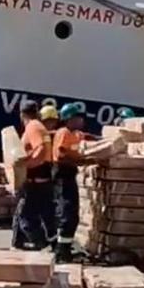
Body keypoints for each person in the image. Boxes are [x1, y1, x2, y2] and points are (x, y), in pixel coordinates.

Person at [11, 100, 53, 250]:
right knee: (21, 212)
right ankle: (17, 243)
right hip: (39, 178)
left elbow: (40, 150)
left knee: (26, 217)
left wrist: (26, 166)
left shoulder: (33, 127)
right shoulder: (38, 126)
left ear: (22, 114)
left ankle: (41, 243)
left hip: (35, 179)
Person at [51, 103, 86, 262]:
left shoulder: (76, 134)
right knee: (67, 212)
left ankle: (66, 247)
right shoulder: (63, 133)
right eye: (78, 117)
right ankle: (61, 251)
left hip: (70, 174)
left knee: (73, 213)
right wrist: (79, 161)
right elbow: (61, 155)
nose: (81, 120)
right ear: (69, 119)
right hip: (63, 174)